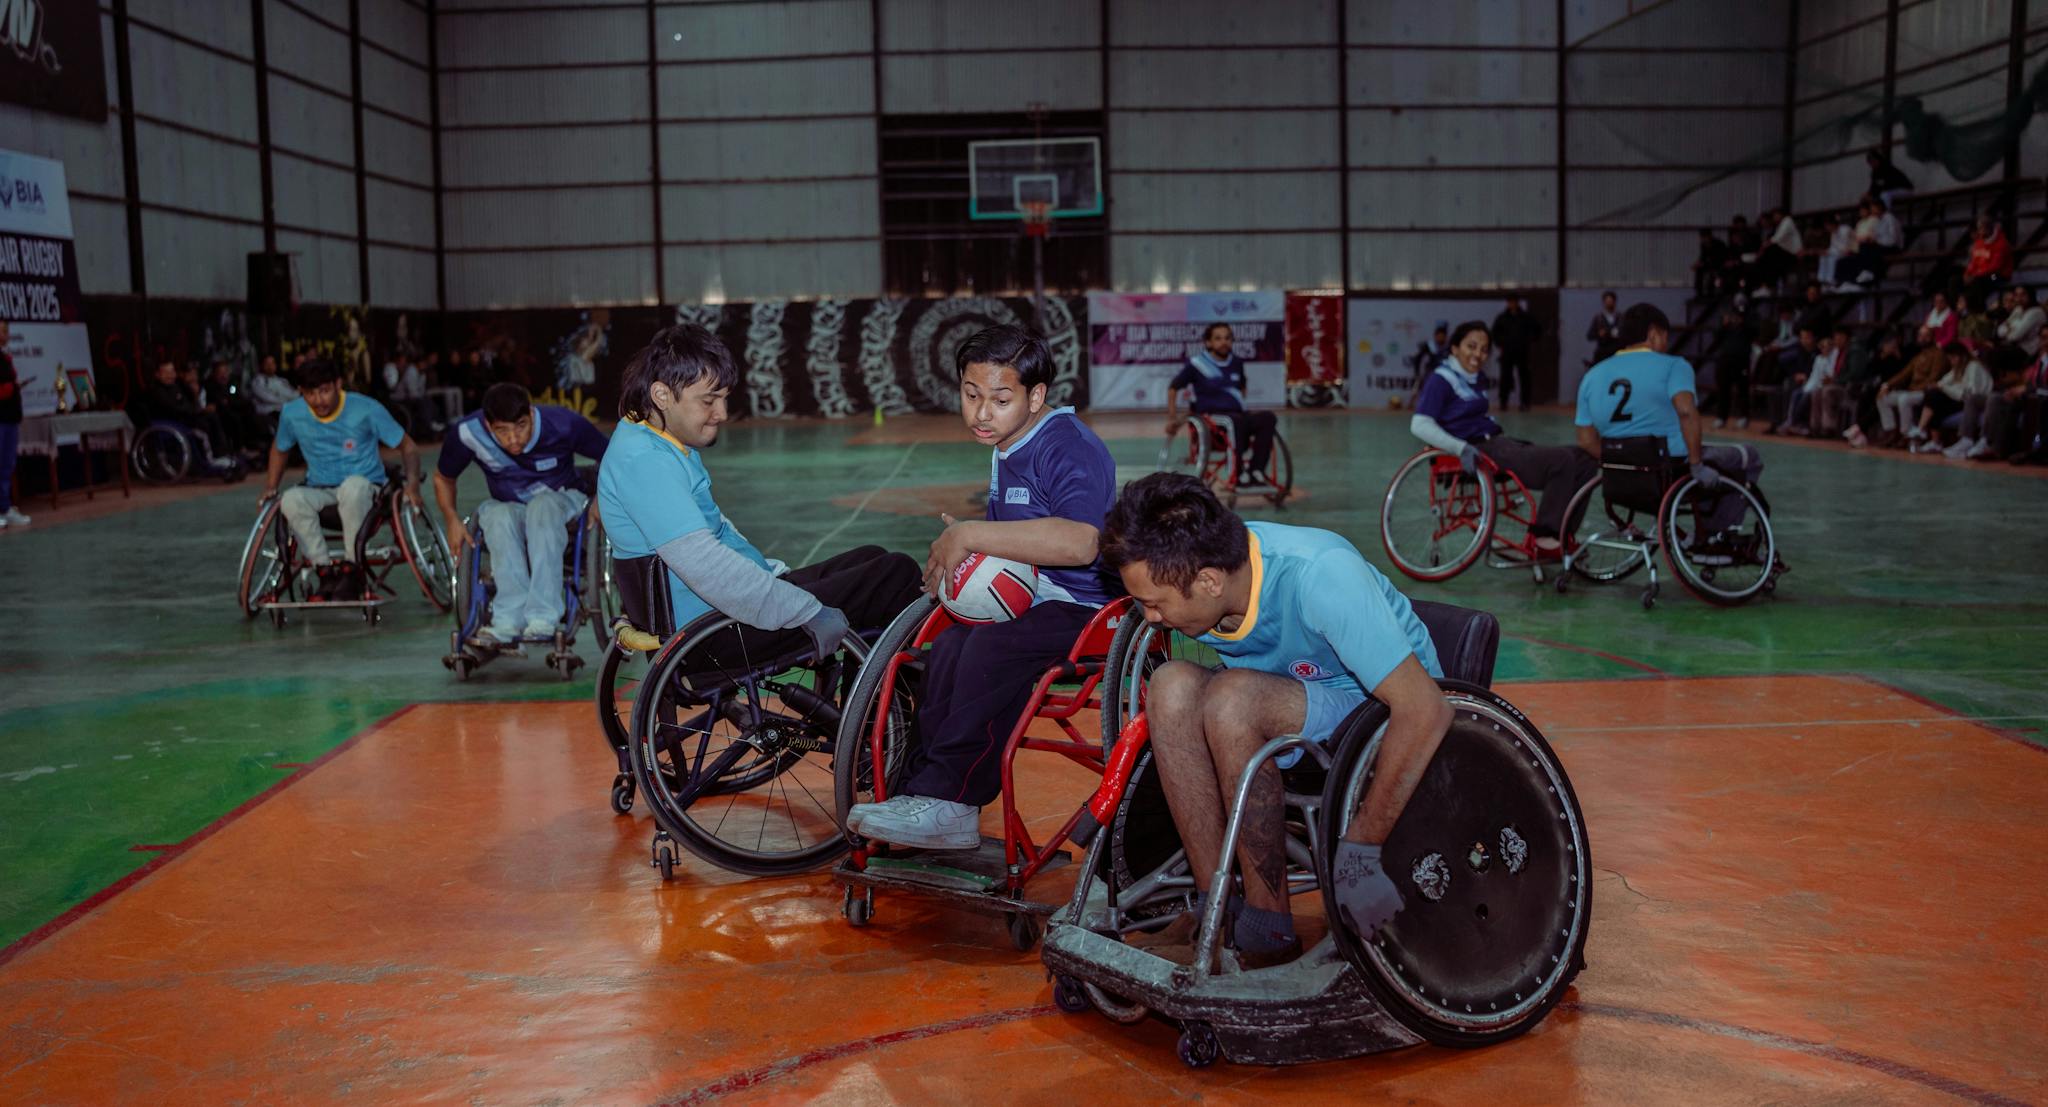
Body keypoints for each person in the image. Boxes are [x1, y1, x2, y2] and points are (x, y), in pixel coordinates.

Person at [1096, 472, 1449, 966]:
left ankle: (1269, 925)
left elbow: (1427, 708)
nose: (1149, 617)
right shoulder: (1209, 579)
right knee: (1172, 686)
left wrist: (1360, 851)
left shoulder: (1320, 576)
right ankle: (1212, 906)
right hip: (1287, 695)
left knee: (1232, 697)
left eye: (1155, 604)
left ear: (1209, 581)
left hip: (1380, 709)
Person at [843, 324, 1121, 851]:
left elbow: (1083, 542)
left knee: (991, 648)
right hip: (1035, 600)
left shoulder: (1068, 446)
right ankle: (920, 793)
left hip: (1087, 609)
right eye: (971, 396)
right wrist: (975, 549)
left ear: (1035, 396)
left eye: (999, 399)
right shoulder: (1007, 445)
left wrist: (972, 532)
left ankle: (955, 800)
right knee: (945, 645)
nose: (981, 413)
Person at [595, 323, 922, 712]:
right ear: (662, 395)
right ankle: (873, 733)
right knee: (894, 574)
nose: (722, 413)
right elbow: (707, 567)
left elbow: (712, 536)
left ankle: (865, 715)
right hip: (714, 635)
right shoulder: (646, 462)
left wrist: (771, 575)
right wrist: (807, 610)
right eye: (709, 400)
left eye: (724, 398)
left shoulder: (649, 438)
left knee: (871, 556)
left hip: (715, 616)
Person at [436, 382, 612, 646]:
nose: (513, 439)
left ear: (531, 414)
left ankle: (543, 617)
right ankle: (507, 620)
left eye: (520, 426)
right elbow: (443, 478)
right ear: (488, 426)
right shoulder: (468, 433)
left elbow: (613, 456)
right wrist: (451, 518)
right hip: (512, 507)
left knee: (542, 506)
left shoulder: (563, 424)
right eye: (502, 431)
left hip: (563, 500)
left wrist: (601, 497)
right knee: (496, 516)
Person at [1575, 304, 1764, 538]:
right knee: (1748, 457)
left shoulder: (1592, 375)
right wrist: (1696, 465)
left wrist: (1622, 462)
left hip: (1620, 479)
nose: (1666, 344)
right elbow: (1686, 413)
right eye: (1665, 337)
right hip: (1672, 469)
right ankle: (1716, 534)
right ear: (1654, 334)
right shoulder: (1674, 366)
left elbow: (1585, 440)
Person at [1408, 321, 1595, 554]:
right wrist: (1460, 448)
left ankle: (1563, 533)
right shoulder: (1441, 379)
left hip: (1499, 443)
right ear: (1455, 348)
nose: (1478, 354)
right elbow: (1420, 424)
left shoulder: (1475, 378)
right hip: (1482, 450)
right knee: (1562, 461)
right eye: (1471, 346)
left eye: (1484, 349)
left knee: (1585, 459)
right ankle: (1545, 537)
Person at [259, 358, 423, 601]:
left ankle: (352, 568)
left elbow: (408, 447)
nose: (318, 400)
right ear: (300, 392)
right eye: (310, 394)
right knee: (291, 499)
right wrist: (271, 487)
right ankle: (324, 571)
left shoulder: (366, 409)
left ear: (338, 384)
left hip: (367, 490)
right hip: (320, 488)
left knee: (352, 487)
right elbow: (280, 449)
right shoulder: (292, 414)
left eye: (324, 391)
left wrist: (413, 485)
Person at [1165, 323, 1278, 484]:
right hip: (1212, 420)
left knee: (1268, 418)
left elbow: (1242, 388)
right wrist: (1172, 419)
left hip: (1237, 416)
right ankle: (1237, 474)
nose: (1224, 342)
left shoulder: (1237, 363)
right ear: (1208, 342)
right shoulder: (1197, 364)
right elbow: (1173, 388)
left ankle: (1256, 470)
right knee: (1234, 421)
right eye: (1218, 338)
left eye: (1227, 338)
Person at [144, 360, 237, 473]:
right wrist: (197, 411)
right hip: (173, 424)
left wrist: (196, 398)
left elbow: (188, 404)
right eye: (166, 373)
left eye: (172, 372)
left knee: (214, 417)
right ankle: (210, 461)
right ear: (157, 374)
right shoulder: (157, 391)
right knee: (203, 427)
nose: (170, 376)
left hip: (187, 418)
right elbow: (175, 409)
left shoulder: (176, 387)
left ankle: (221, 454)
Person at [1909, 343, 1993, 453]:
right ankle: (1933, 439)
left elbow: (1969, 393)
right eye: (1950, 358)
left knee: (1935, 397)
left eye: (1953, 358)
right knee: (1932, 397)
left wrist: (1944, 387)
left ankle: (1922, 430)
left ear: (1962, 356)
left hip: (1973, 401)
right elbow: (1943, 382)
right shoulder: (1958, 369)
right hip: (1961, 399)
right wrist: (1939, 386)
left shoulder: (1973, 366)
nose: (1952, 361)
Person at [1704, 308, 1755, 429]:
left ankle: (1744, 417)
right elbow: (1716, 338)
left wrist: (1742, 324)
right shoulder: (1726, 327)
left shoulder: (1748, 326)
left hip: (1742, 361)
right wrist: (1724, 325)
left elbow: (1754, 333)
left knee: (1742, 390)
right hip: (1725, 361)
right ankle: (1721, 417)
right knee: (1723, 390)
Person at [203, 359, 264, 456]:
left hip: (235, 408)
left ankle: (255, 444)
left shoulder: (232, 384)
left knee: (250, 411)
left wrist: (230, 401)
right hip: (221, 414)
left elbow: (237, 397)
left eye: (225, 372)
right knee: (235, 418)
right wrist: (229, 401)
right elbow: (220, 402)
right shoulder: (210, 385)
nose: (224, 375)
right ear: (214, 374)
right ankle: (240, 448)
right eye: (220, 373)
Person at [1491, 297, 1540, 411]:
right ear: (1507, 303)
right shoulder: (1502, 318)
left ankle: (1525, 403)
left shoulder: (1526, 317)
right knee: (1505, 377)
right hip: (1507, 352)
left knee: (1524, 378)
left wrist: (1529, 340)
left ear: (1517, 303)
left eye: (1514, 302)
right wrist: (1500, 343)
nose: (1512, 304)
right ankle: (1503, 402)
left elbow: (1537, 330)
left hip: (1522, 352)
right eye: (1510, 302)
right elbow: (1495, 333)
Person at [0, 319, 25, 529]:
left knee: (7, 465)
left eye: (7, 330)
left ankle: (5, 508)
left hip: (10, 418)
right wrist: (9, 389)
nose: (6, 333)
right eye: (3, 330)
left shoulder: (5, 357)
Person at [381, 350, 440, 437]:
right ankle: (428, 427)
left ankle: (433, 424)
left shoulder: (422, 373)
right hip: (399, 397)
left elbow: (421, 390)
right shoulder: (409, 371)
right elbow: (409, 391)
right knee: (422, 403)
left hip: (412, 397)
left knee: (429, 401)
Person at [1962, 215, 2013, 304]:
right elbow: (1973, 262)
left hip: (1997, 276)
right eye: (1979, 228)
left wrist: (1974, 275)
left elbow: (1995, 267)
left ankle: (1978, 309)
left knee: (1980, 281)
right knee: (1954, 281)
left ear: (1988, 228)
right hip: (1980, 275)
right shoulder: (1979, 242)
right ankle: (1964, 307)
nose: (1979, 231)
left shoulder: (2001, 243)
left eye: (1981, 228)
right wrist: (1967, 274)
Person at [249, 354, 298, 421]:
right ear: (262, 365)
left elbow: (294, 396)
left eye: (272, 363)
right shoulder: (257, 381)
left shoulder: (282, 381)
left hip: (286, 411)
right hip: (268, 414)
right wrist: (286, 400)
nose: (270, 366)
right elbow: (267, 398)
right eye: (267, 363)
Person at [1585, 291, 1621, 365]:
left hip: (1617, 352)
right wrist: (1599, 334)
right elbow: (1589, 336)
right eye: (1607, 301)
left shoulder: (1621, 318)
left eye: (1611, 301)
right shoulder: (1598, 318)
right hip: (1602, 352)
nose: (1609, 303)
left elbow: (1627, 334)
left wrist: (1618, 334)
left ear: (1614, 302)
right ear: (1604, 302)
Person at [1692, 229, 1730, 298]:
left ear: (1710, 237)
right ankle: (1700, 293)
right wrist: (1698, 264)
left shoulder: (1719, 244)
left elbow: (1720, 258)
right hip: (1709, 265)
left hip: (1720, 265)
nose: (1704, 239)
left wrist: (1704, 263)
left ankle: (1715, 293)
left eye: (1705, 237)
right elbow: (1703, 257)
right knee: (1699, 271)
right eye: (1702, 238)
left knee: (1713, 275)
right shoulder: (1703, 245)